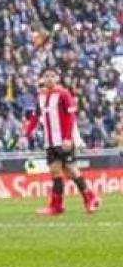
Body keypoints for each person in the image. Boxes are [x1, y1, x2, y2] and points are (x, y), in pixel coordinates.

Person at [23, 68, 102, 215]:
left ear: (57, 78)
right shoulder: (41, 95)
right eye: (46, 76)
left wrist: (67, 138)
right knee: (55, 171)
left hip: (63, 140)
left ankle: (89, 198)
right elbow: (36, 115)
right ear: (43, 79)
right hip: (50, 142)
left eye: (52, 76)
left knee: (71, 170)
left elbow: (70, 117)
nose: (49, 78)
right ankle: (57, 205)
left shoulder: (64, 94)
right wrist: (28, 131)